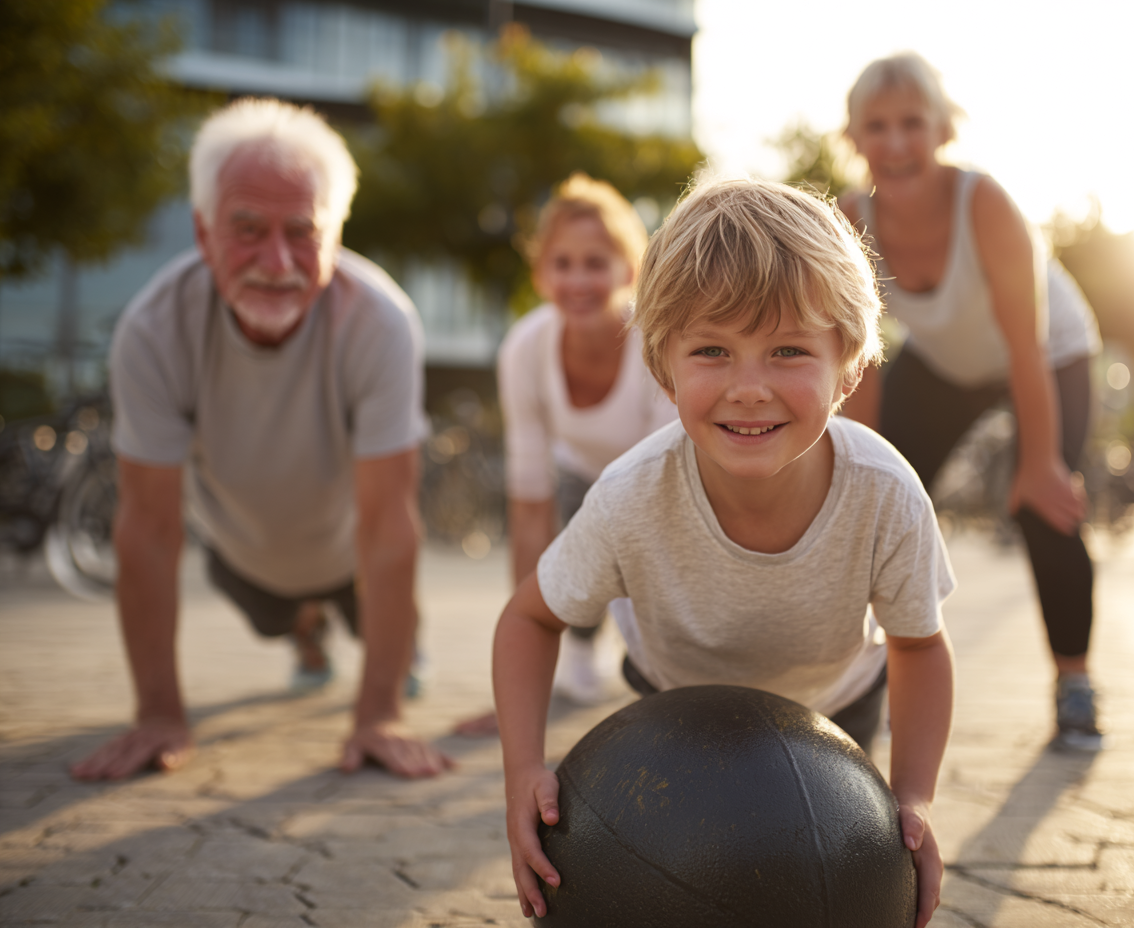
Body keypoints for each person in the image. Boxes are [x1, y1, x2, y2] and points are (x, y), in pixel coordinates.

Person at [493, 178, 956, 928]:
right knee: (691, 869)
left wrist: (914, 797)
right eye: (712, 350)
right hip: (674, 696)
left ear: (847, 365)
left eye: (787, 351)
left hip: (836, 700)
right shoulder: (631, 495)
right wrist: (522, 771)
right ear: (663, 366)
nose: (749, 388)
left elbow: (920, 645)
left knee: (816, 875)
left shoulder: (885, 493)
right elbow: (528, 618)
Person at [71, 98, 453, 782]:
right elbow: (149, 528)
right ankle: (306, 632)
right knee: (275, 613)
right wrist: (158, 713)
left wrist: (380, 714)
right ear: (203, 231)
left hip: (352, 553)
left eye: (302, 232)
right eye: (247, 229)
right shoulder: (153, 329)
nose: (277, 262)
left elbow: (390, 525)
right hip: (247, 551)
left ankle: (394, 646)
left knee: (390, 629)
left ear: (335, 235)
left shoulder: (381, 322)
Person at [837, 52, 1104, 752]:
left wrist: (1039, 463)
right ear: (854, 138)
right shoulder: (851, 218)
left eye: (913, 123)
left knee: (1042, 501)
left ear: (943, 131)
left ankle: (1074, 684)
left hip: (1047, 353)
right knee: (867, 502)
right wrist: (856, 469)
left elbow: (1025, 345)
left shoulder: (984, 203)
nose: (896, 142)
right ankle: (854, 677)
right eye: (877, 126)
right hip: (947, 361)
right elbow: (862, 355)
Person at [454, 174, 676, 736]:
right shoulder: (525, 349)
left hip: (664, 481)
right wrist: (520, 685)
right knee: (571, 534)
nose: (578, 280)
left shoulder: (655, 341)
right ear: (541, 273)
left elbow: (663, 485)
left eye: (596, 263)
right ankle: (577, 650)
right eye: (563, 263)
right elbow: (529, 506)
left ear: (629, 271)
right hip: (582, 474)